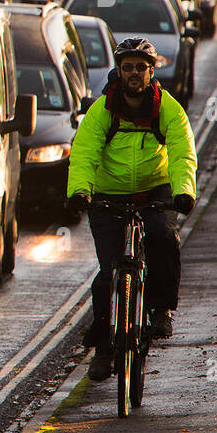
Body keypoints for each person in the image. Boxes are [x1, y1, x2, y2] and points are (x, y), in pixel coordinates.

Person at [65, 37, 196, 381]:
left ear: (152, 72)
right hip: (109, 194)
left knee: (162, 237)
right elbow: (84, 153)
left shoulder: (167, 108)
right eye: (128, 67)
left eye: (141, 67)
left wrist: (183, 192)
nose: (134, 73)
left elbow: (182, 152)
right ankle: (105, 348)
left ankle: (161, 309)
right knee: (109, 275)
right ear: (119, 71)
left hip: (154, 189)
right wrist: (80, 192)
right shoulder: (101, 110)